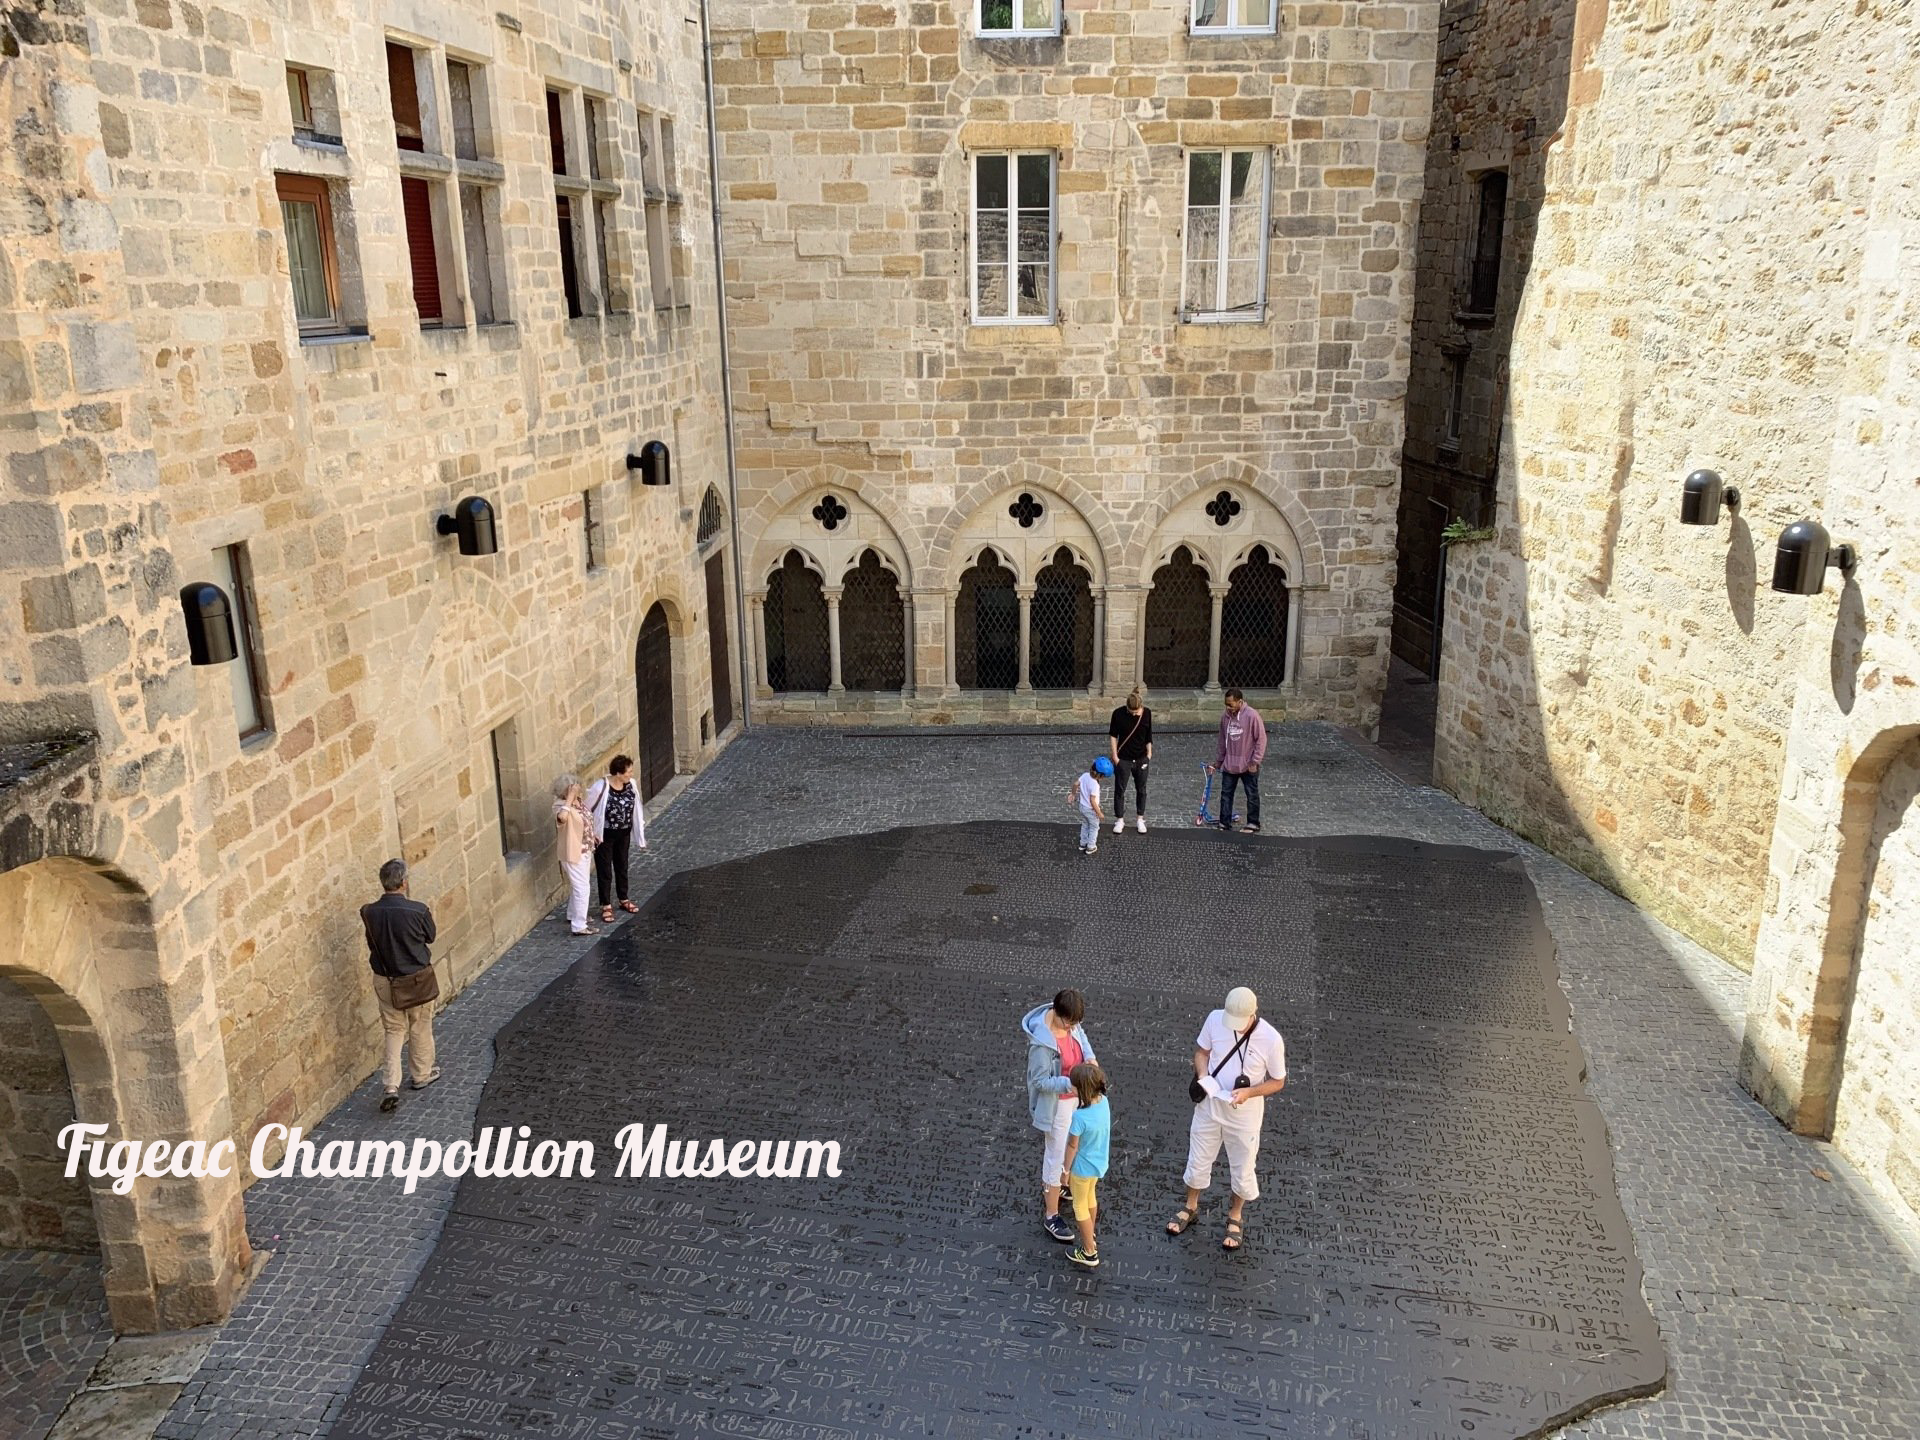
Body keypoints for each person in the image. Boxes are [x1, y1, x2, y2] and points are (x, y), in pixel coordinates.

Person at [1167, 986, 1286, 1252]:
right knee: (1197, 1159)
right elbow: (1201, 1052)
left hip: (1244, 1115)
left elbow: (1278, 1081)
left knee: (1243, 1167)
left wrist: (1250, 1092)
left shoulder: (1271, 1039)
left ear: (1253, 1014)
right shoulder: (1214, 1018)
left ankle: (1235, 1216)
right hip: (1211, 1105)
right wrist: (1202, 1076)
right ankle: (1190, 1207)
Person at [360, 858, 439, 1113]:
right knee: (420, 1024)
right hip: (416, 980)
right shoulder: (418, 910)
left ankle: (391, 1085)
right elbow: (430, 936)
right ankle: (421, 1074)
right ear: (404, 883)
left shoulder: (368, 912)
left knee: (394, 1030)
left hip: (385, 979)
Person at [1023, 989, 1098, 1243]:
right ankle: (1051, 1214)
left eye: (1075, 1023)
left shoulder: (1071, 1024)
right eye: (1069, 1023)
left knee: (1072, 1145)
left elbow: (1082, 1037)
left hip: (1075, 1096)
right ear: (1058, 1014)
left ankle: (1061, 1185)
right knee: (1054, 1155)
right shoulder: (1041, 1044)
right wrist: (1070, 1084)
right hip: (1057, 1105)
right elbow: (1040, 1081)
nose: (1072, 1028)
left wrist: (1090, 1059)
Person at [1061, 1061, 1110, 1270]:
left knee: (1079, 1205)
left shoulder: (1079, 1117)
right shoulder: (1104, 1102)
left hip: (1081, 1168)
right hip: (1099, 1164)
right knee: (1091, 1197)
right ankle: (1090, 1233)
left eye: (1073, 1085)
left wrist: (1065, 1171)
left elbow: (1073, 1145)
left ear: (1082, 1089)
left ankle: (1089, 1252)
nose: (1071, 1087)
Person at [586, 755, 647, 924]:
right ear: (618, 773)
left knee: (622, 866)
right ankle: (605, 905)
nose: (631, 774)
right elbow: (588, 809)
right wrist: (593, 835)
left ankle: (623, 898)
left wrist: (640, 833)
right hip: (604, 835)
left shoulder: (631, 784)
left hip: (623, 833)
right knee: (604, 870)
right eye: (628, 771)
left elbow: (637, 808)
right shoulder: (601, 787)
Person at [1207, 688, 1267, 833]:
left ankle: (1253, 823)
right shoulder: (1225, 717)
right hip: (1230, 764)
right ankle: (1224, 822)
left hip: (1248, 764)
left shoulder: (1252, 716)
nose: (1228, 708)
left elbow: (1261, 739)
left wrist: (1255, 761)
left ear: (1240, 702)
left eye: (1231, 705)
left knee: (1251, 794)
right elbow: (1222, 741)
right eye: (1226, 705)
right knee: (1226, 794)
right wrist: (1219, 761)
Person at [552, 774, 598, 936]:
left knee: (580, 884)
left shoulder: (579, 803)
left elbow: (585, 819)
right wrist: (570, 798)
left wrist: (593, 835)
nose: (577, 790)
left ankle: (573, 915)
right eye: (573, 788)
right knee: (582, 888)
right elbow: (562, 818)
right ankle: (579, 925)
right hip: (573, 852)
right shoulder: (560, 806)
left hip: (585, 849)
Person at [1107, 687, 1153, 834]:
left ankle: (1140, 818)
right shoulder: (1118, 714)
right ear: (1127, 707)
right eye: (1132, 712)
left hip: (1141, 758)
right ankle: (1119, 819)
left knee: (1142, 789)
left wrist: (1149, 754)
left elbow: (1148, 735)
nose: (1135, 714)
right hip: (1124, 759)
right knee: (1120, 790)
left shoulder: (1146, 714)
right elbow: (1113, 736)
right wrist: (1115, 757)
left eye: (1137, 712)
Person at [1071, 756, 1110, 855]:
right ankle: (1091, 846)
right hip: (1090, 810)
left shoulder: (1085, 775)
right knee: (1094, 827)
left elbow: (1076, 784)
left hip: (1082, 807)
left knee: (1085, 824)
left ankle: (1082, 844)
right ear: (1101, 776)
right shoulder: (1095, 785)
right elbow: (1092, 801)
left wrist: (1073, 794)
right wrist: (1099, 813)